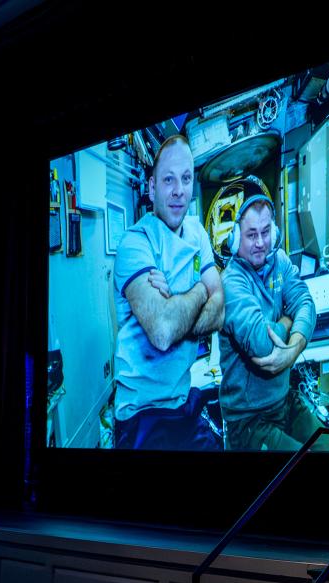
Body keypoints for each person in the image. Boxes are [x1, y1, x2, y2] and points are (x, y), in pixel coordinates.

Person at [112, 134, 224, 450]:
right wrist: (202, 288)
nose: (178, 190)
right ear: (151, 187)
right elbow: (162, 331)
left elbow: (221, 309)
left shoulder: (197, 232)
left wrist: (176, 299)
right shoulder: (134, 244)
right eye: (168, 180)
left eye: (186, 179)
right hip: (141, 413)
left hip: (181, 400)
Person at [219, 195, 323, 451]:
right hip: (248, 419)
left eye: (266, 232)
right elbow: (263, 344)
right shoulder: (232, 281)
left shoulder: (281, 261)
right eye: (251, 234)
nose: (260, 243)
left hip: (284, 401)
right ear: (235, 240)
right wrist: (288, 320)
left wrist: (292, 351)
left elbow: (306, 304)